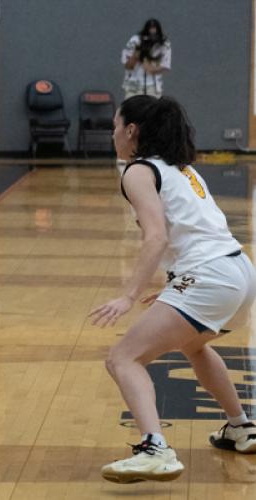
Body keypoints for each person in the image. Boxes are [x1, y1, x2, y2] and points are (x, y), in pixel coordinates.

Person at [90, 95, 256, 483]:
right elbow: (194, 232)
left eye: (116, 125)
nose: (113, 133)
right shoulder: (182, 169)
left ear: (131, 131)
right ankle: (241, 427)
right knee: (194, 345)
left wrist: (128, 295)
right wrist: (175, 283)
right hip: (240, 272)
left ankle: (154, 448)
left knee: (122, 359)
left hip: (210, 275)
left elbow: (157, 238)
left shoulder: (137, 171)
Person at [121, 19, 171, 99]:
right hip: (133, 85)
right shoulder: (134, 41)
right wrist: (137, 53)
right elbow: (128, 66)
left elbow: (163, 66)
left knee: (153, 109)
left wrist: (145, 60)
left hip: (153, 87)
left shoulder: (164, 43)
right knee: (131, 109)